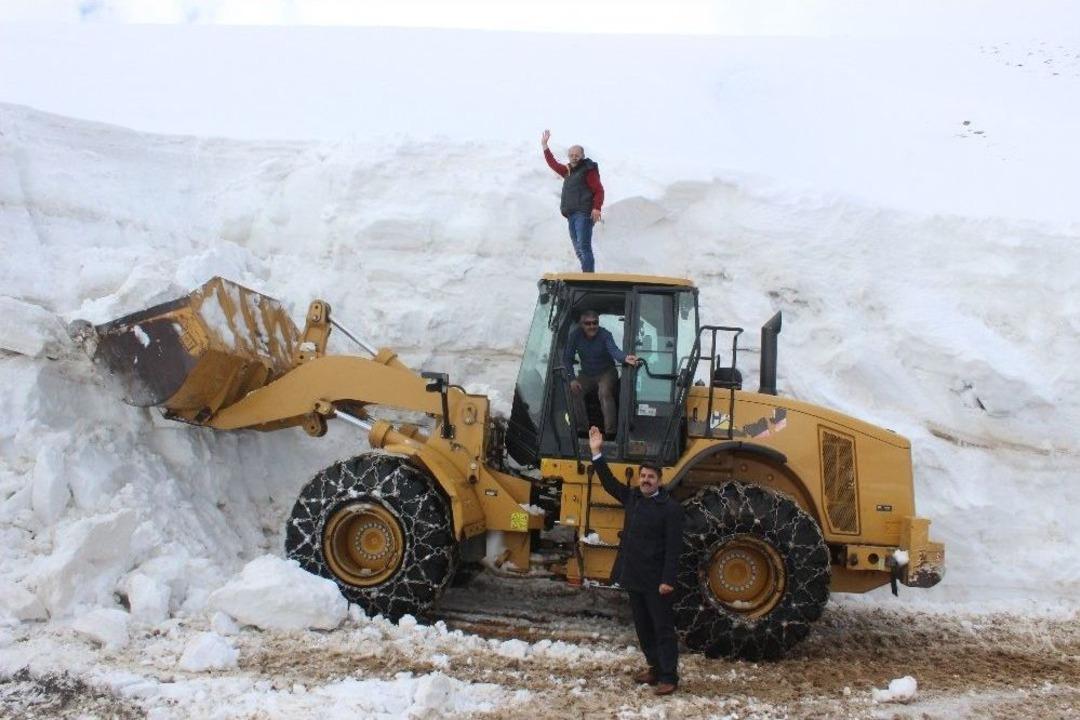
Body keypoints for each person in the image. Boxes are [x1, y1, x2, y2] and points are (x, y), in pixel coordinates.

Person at [589, 425, 684, 696]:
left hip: (657, 582)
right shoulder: (632, 497)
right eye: (642, 476)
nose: (645, 480)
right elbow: (608, 483)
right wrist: (597, 452)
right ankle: (654, 667)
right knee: (643, 628)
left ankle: (669, 676)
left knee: (662, 628)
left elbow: (674, 549)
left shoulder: (670, 510)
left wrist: (668, 580)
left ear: (659, 480)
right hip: (634, 576)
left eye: (650, 477)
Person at [563, 310, 637, 437]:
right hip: (587, 374)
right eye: (588, 323)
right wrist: (572, 379)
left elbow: (614, 350)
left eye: (595, 323)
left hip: (606, 372)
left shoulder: (605, 335)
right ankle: (582, 430)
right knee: (574, 391)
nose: (592, 326)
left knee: (604, 392)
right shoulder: (575, 336)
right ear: (581, 324)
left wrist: (624, 358)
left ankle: (610, 432)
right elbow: (567, 358)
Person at [541, 129, 605, 273]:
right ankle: (586, 275)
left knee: (584, 247)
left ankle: (588, 278)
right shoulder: (568, 171)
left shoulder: (588, 170)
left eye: (577, 155)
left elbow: (599, 190)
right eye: (571, 155)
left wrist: (596, 208)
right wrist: (545, 146)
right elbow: (553, 164)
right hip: (572, 216)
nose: (574, 157)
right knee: (578, 250)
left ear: (582, 156)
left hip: (583, 214)